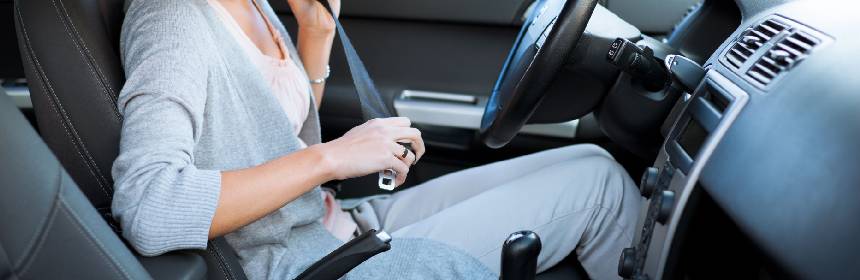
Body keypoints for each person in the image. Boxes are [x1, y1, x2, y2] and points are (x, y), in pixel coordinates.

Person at [112, 0, 641, 279]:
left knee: (594, 165)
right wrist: (332, 157)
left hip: (336, 224)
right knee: (602, 194)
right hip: (309, 260)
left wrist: (316, 33)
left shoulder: (254, 5)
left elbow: (269, 133)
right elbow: (151, 207)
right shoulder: (172, 19)